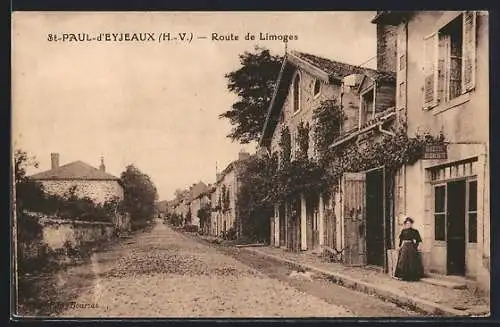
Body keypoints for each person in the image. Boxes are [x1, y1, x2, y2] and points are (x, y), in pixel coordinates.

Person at [394, 217, 424, 281]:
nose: (408, 225)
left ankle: (412, 277)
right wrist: (399, 246)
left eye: (409, 223)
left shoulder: (415, 231)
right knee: (402, 261)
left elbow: (419, 240)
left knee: (411, 261)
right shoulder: (403, 231)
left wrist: (416, 246)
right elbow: (401, 240)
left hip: (411, 247)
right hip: (404, 246)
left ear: (411, 224)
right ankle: (402, 276)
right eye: (407, 223)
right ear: (405, 224)